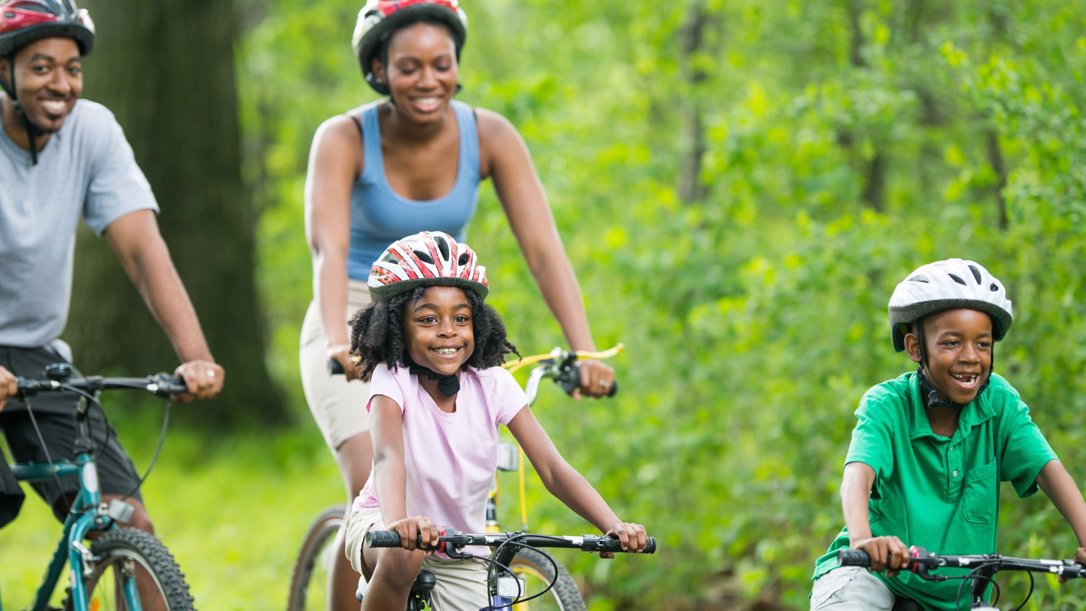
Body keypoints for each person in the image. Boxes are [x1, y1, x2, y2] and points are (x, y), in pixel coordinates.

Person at [300, 1, 616, 606]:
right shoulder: (342, 136)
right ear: (377, 68)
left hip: (445, 306)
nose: (428, 80)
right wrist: (343, 345)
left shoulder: (489, 134)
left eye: (441, 64)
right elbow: (327, 248)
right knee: (370, 470)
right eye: (409, 66)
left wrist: (585, 348)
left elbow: (543, 250)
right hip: (357, 306)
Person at [0, 0, 224, 535]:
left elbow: (144, 251)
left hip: (35, 351)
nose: (61, 84)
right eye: (40, 67)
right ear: (3, 71)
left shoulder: (93, 130)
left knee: (125, 520)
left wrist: (195, 356)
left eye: (72, 68)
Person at [338, 231, 647, 610]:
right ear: (397, 327)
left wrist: (611, 524)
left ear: (478, 324)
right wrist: (397, 522)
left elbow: (551, 468)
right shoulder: (394, 378)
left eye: (461, 318)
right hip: (384, 525)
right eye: (428, 319)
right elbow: (388, 457)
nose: (448, 330)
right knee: (404, 556)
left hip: (460, 549)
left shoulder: (494, 384)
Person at [810, 258, 1086, 610]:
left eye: (982, 344)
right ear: (915, 348)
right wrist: (864, 540)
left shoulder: (998, 403)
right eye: (952, 343)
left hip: (956, 593)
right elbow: (857, 476)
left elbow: (1048, 470)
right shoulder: (886, 406)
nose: (971, 357)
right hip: (871, 573)